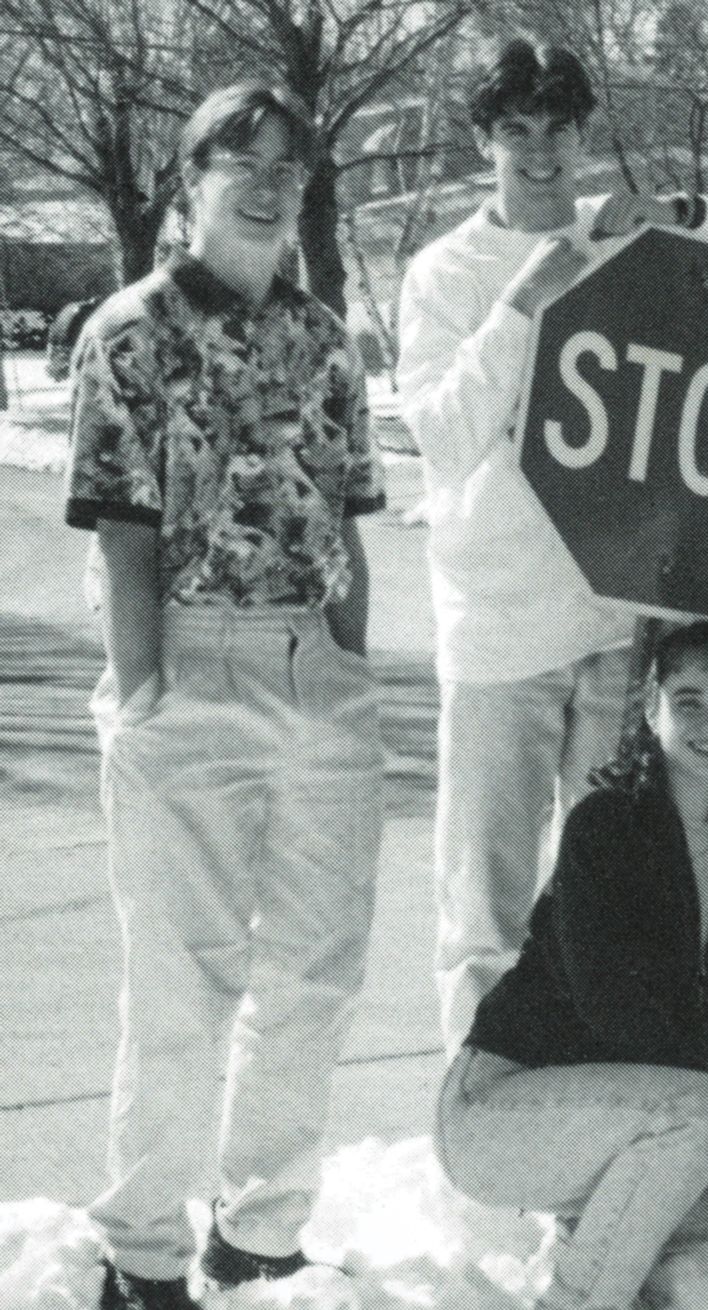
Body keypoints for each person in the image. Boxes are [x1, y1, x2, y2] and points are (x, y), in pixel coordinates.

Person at [396, 38, 708, 1056]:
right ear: (484, 140)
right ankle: (480, 1109)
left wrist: (681, 213)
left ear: (584, 134)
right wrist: (523, 304)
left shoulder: (625, 240)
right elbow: (444, 437)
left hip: (617, 628)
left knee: (616, 898)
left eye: (559, 128)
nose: (539, 151)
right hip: (497, 630)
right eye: (516, 130)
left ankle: (602, 1100)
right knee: (486, 902)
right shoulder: (444, 272)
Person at [63, 83, 385, 1310]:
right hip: (189, 663)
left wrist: (349, 657)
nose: (265, 186)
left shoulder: (324, 338)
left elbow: (352, 512)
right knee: (181, 983)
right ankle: (143, 1250)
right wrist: (146, 688)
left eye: (287, 168)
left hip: (316, 669)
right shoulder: (131, 331)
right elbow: (121, 531)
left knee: (316, 971)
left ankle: (261, 1229)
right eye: (240, 163)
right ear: (190, 182)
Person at [436, 621, 708, 1310]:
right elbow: (612, 1008)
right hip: (501, 1114)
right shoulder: (606, 826)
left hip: (625, 1114)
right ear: (652, 711)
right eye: (688, 701)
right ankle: (579, 1298)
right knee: (702, 1116)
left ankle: (601, 1246)